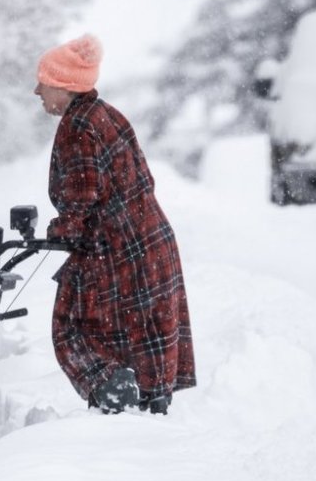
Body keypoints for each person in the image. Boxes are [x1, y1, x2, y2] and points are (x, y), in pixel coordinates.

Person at [34, 34, 196, 414]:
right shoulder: (106, 113)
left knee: (72, 325)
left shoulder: (77, 126)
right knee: (141, 327)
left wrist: (63, 229)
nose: (37, 91)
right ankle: (149, 401)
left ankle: (115, 397)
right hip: (149, 239)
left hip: (117, 247)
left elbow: (83, 194)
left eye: (43, 82)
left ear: (63, 85)